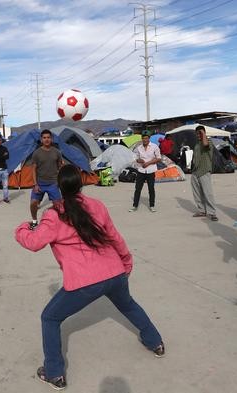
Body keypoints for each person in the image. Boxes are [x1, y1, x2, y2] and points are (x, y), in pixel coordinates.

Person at [15, 165, 164, 390]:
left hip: (84, 281)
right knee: (129, 305)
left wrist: (23, 228)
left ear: (59, 187)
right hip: (114, 272)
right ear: (81, 183)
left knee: (50, 318)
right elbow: (115, 237)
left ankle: (54, 373)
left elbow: (34, 242)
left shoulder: (54, 214)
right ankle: (156, 343)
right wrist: (126, 262)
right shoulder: (97, 205)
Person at [29, 129, 64, 229]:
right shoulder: (36, 153)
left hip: (53, 183)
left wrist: (59, 182)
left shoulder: (57, 152)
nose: (46, 139)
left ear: (51, 139)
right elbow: (33, 169)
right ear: (41, 139)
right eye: (44, 138)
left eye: (48, 137)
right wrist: (35, 184)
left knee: (59, 206)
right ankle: (35, 221)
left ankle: (58, 223)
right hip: (39, 184)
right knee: (33, 203)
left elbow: (60, 167)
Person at [190, 125, 218, 221]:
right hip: (195, 171)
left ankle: (212, 212)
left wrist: (203, 134)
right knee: (197, 193)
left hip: (204, 170)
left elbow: (205, 145)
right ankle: (201, 210)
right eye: (197, 133)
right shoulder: (197, 144)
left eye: (200, 133)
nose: (198, 135)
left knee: (208, 192)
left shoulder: (208, 142)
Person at [129, 132, 161, 212]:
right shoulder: (139, 147)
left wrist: (148, 163)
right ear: (141, 139)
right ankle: (135, 205)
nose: (145, 140)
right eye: (143, 138)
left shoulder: (154, 146)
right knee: (138, 189)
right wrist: (138, 160)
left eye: (146, 138)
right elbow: (135, 157)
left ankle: (152, 205)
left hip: (151, 170)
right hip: (141, 170)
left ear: (149, 138)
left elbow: (159, 158)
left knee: (151, 189)